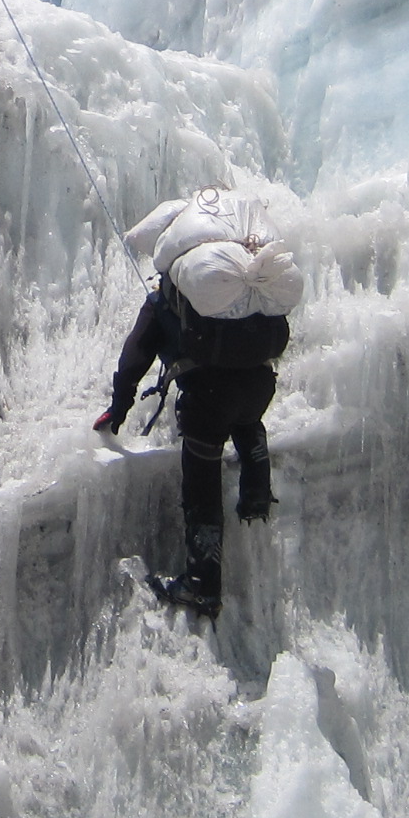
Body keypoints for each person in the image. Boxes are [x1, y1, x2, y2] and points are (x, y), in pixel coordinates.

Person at [94, 264, 285, 619]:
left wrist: (118, 408)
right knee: (244, 418)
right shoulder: (240, 291)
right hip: (259, 388)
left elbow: (135, 355)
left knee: (202, 489)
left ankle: (202, 584)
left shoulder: (163, 300)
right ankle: (256, 490)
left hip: (208, 400)